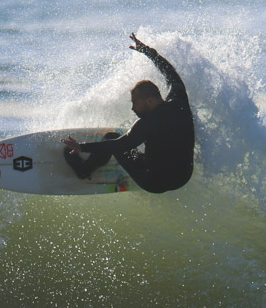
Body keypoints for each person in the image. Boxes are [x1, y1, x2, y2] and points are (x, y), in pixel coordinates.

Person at [61, 33, 194, 194]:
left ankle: (84, 170)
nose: (133, 108)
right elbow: (171, 74)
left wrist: (81, 147)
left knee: (111, 137)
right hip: (183, 178)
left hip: (154, 182)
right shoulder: (179, 101)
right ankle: (148, 160)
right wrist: (150, 53)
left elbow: (120, 144)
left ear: (151, 101)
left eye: (135, 103)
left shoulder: (147, 123)